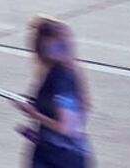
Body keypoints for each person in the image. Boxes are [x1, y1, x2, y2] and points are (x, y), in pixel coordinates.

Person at [10, 16, 92, 167]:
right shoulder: (65, 72)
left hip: (60, 158)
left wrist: (33, 113)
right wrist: (32, 104)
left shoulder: (62, 79)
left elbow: (67, 127)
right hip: (52, 152)